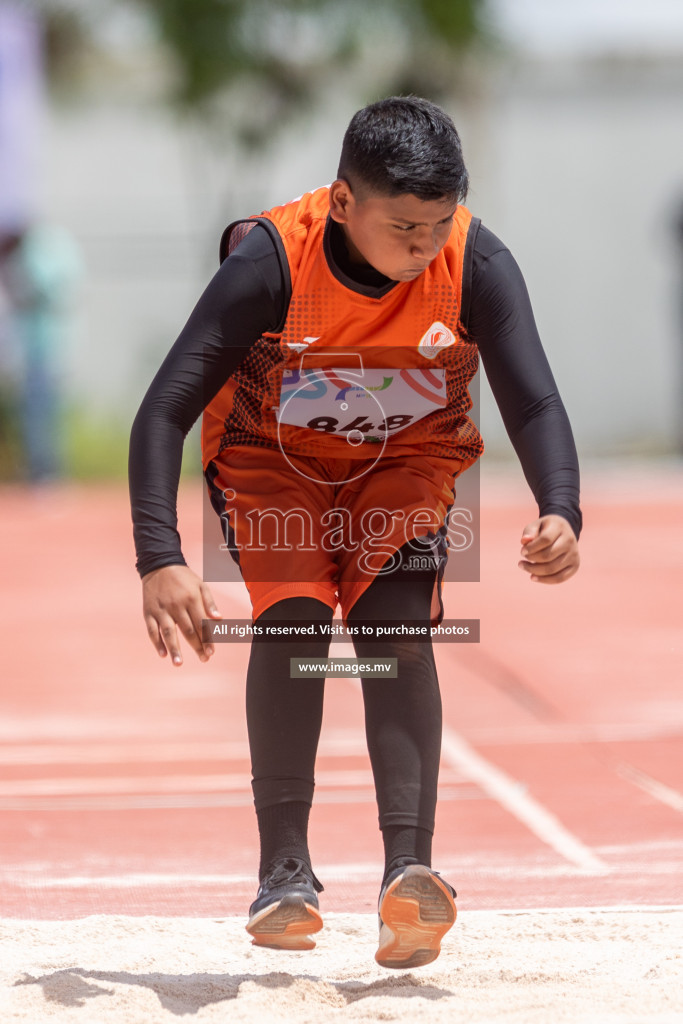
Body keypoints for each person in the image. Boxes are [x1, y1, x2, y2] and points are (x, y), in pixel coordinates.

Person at [129, 96, 581, 969]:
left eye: (438, 225)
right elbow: (163, 412)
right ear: (342, 202)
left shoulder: (474, 260)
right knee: (298, 626)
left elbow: (534, 399)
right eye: (404, 227)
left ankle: (409, 871)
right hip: (270, 459)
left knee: (394, 628)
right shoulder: (268, 262)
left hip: (405, 458)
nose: (422, 248)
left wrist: (559, 506)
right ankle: (283, 873)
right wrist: (160, 559)